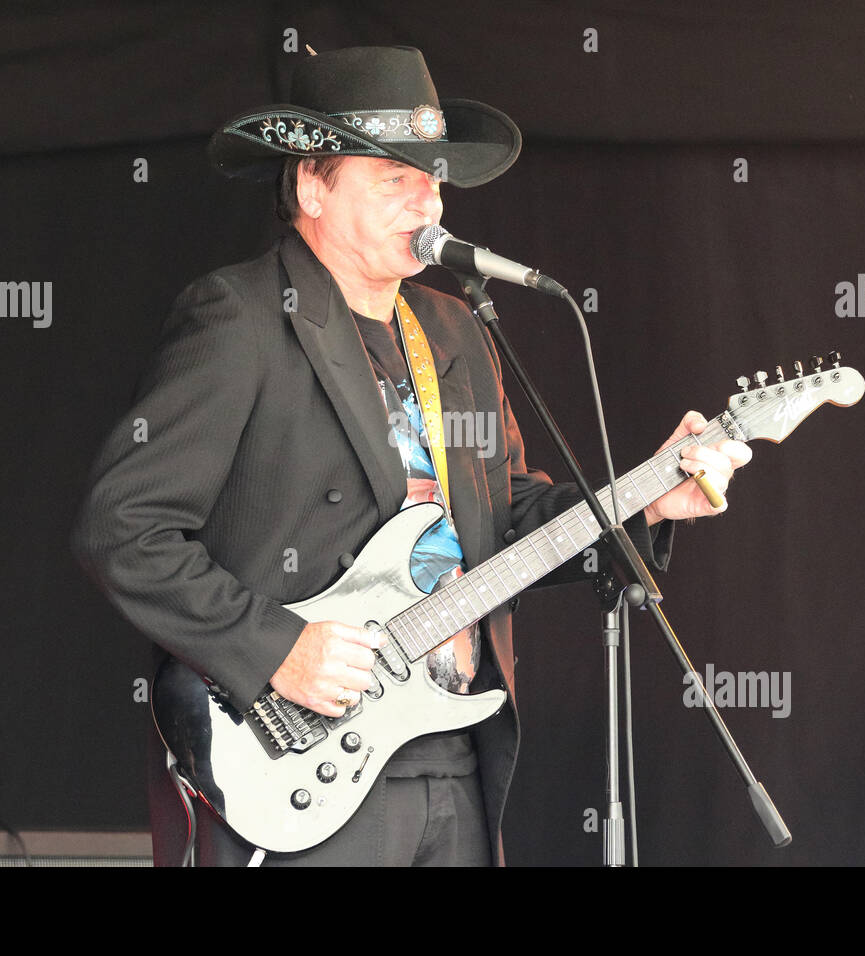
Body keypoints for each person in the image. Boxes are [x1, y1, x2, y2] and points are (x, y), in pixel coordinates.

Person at [70, 45, 750, 866]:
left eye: (432, 178)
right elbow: (123, 528)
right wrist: (274, 648)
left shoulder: (454, 329)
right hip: (304, 759)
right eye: (393, 178)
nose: (426, 200)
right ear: (311, 187)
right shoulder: (242, 319)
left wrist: (646, 498)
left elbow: (509, 518)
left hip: (451, 748)